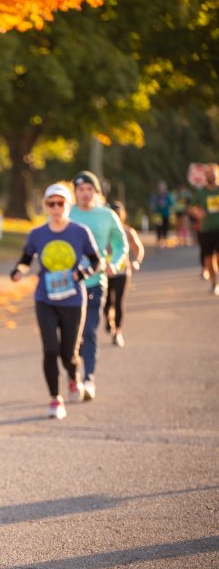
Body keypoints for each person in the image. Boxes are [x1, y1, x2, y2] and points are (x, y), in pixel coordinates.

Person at [11, 183, 101, 420]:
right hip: (45, 298)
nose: (56, 207)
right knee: (50, 350)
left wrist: (80, 274)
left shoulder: (80, 232)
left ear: (68, 205)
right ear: (46, 207)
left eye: (60, 203)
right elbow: (26, 258)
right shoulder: (38, 234)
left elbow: (96, 261)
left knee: (68, 352)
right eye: (51, 203)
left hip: (73, 300)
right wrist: (18, 271)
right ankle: (55, 399)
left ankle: (74, 377)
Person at [68, 171, 127, 402]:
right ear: (75, 192)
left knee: (89, 331)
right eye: (80, 190)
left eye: (89, 189)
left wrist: (115, 263)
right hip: (68, 284)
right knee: (72, 335)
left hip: (95, 282)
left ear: (96, 192)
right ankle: (74, 374)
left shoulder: (107, 215)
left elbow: (120, 245)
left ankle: (88, 379)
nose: (84, 194)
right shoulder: (66, 213)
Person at [103, 201, 144, 348]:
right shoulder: (103, 232)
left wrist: (136, 261)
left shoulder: (127, 232)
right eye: (113, 213)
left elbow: (138, 248)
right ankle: (108, 317)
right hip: (105, 273)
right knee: (107, 302)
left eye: (118, 214)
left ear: (123, 215)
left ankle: (117, 332)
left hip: (122, 272)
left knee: (119, 302)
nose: (116, 216)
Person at [190, 164, 219, 296]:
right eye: (208, 173)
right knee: (208, 259)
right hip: (206, 229)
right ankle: (214, 283)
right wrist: (197, 213)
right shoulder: (201, 192)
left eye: (213, 173)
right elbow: (191, 208)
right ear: (205, 176)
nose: (211, 175)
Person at [149, 180, 174, 249]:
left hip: (165, 214)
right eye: (160, 186)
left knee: (165, 228)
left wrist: (165, 205)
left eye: (163, 186)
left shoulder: (167, 195)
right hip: (157, 214)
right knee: (158, 228)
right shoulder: (155, 195)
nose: (161, 187)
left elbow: (171, 203)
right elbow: (151, 203)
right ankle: (159, 242)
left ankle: (165, 242)